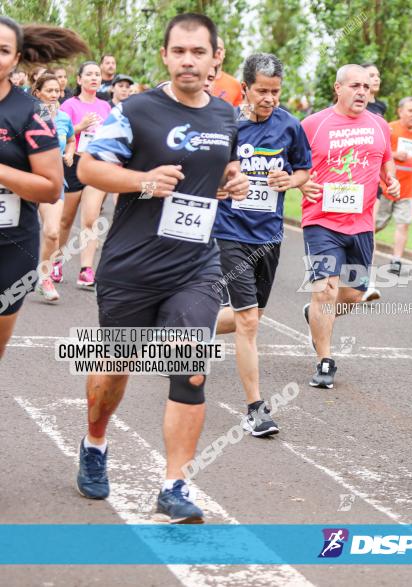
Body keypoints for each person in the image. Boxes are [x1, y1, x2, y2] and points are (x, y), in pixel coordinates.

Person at [75, 12, 250, 523]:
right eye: (179, 52)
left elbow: (225, 167)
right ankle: (95, 441)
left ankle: (175, 485)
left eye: (199, 52)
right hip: (131, 266)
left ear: (216, 57)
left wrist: (233, 183)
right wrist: (142, 180)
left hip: (195, 265)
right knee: (115, 369)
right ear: (166, 57)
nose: (188, 61)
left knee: (190, 370)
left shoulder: (224, 116)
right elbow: (88, 167)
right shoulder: (137, 111)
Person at [213, 52, 312, 437]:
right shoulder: (228, 126)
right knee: (249, 322)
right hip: (230, 230)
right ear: (246, 88)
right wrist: (220, 184)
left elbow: (303, 168)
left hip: (269, 235)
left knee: (248, 317)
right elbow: (208, 169)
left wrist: (293, 181)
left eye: (275, 91)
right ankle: (256, 409)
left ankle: (183, 330)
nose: (269, 98)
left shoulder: (290, 126)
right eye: (262, 91)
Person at [298, 64, 400, 389]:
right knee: (325, 290)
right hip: (321, 222)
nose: (362, 92)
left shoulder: (380, 125)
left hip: (361, 225)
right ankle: (325, 360)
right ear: (337, 88)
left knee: (354, 295)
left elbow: (387, 162)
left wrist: (393, 182)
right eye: (355, 85)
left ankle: (315, 315)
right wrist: (301, 184)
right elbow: (294, 167)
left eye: (367, 87)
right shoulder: (313, 124)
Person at [0, 17, 85, 358]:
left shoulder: (29, 114)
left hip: (9, 249)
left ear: (16, 58)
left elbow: (51, 188)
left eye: (3, 50)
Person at [57, 61, 111, 289]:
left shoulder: (106, 107)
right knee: (65, 219)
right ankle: (56, 261)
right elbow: (60, 135)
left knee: (90, 219)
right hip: (72, 162)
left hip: (96, 164)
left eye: (97, 74)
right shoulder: (69, 105)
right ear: (79, 80)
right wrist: (80, 126)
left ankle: (86, 269)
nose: (94, 78)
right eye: (89, 74)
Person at [32, 73, 76, 303]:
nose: (53, 95)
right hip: (24, 181)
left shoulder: (64, 118)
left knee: (52, 232)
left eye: (57, 91)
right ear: (37, 92)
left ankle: (44, 277)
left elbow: (71, 139)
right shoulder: (25, 116)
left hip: (53, 181)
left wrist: (69, 153)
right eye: (48, 91)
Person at [374, 96, 412, 274]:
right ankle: (358, 247)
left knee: (404, 223)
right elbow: (378, 152)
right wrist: (395, 154)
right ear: (400, 111)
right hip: (385, 186)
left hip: (406, 189)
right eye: (410, 110)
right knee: (377, 224)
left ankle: (396, 261)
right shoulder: (389, 129)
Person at [211, 36, 242, 106]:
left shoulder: (235, 85)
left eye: (220, 49)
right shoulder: (195, 81)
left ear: (224, 53)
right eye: (213, 48)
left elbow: (239, 115)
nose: (217, 52)